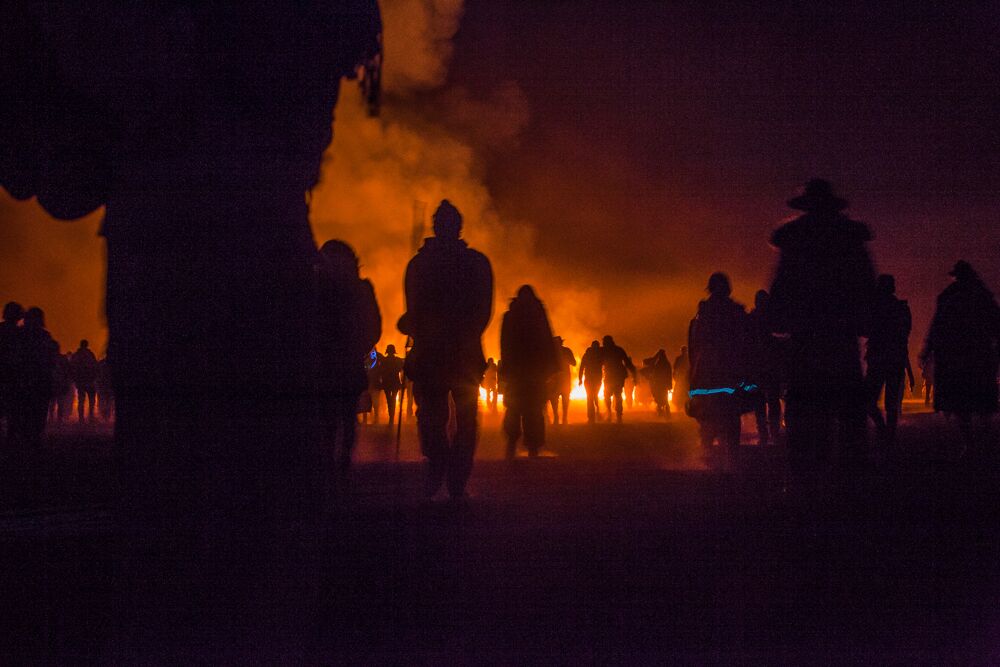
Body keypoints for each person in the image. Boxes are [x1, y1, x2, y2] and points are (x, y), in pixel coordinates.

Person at [768, 179, 877, 467]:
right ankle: (850, 472)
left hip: (806, 336)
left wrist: (778, 319)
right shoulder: (850, 239)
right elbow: (866, 285)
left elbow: (781, 286)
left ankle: (806, 469)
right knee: (847, 406)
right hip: (840, 333)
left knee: (804, 406)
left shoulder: (793, 240)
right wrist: (866, 320)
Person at [399, 200, 493, 501]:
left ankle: (443, 467)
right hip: (461, 354)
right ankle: (453, 474)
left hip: (434, 354)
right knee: (460, 419)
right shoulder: (476, 263)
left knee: (433, 417)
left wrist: (414, 326)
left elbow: (413, 311)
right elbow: (482, 311)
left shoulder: (419, 265)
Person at [920, 261, 1000, 455]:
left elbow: (937, 327)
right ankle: (977, 441)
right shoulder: (982, 296)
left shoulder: (949, 297)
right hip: (978, 355)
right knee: (980, 400)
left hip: (955, 356)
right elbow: (996, 325)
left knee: (960, 402)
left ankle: (969, 442)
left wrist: (928, 350)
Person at [315, 240, 381, 474]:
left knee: (336, 418)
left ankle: (335, 463)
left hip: (333, 366)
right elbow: (373, 328)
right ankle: (337, 463)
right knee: (340, 418)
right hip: (336, 365)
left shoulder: (320, 289)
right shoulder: (322, 289)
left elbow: (373, 328)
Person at [688, 273, 749, 461]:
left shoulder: (703, 314)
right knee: (730, 415)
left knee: (708, 414)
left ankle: (707, 456)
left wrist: (694, 372)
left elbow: (694, 345)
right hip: (729, 372)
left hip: (707, 373)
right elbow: (746, 343)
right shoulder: (736, 312)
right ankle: (730, 459)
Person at [500, 286, 559, 458]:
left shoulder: (510, 316)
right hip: (536, 373)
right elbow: (548, 340)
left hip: (517, 373)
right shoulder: (538, 315)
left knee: (513, 408)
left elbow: (504, 345)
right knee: (533, 409)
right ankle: (533, 446)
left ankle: (511, 442)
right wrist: (552, 368)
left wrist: (506, 368)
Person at [864, 274, 914, 447]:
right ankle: (889, 437)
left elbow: (864, 329)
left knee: (868, 400)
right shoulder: (901, 309)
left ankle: (884, 431)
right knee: (891, 403)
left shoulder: (875, 308)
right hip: (895, 359)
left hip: (878, 358)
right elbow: (905, 334)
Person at [9, 308, 57, 452]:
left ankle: (15, 448)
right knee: (37, 416)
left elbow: (12, 359)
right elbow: (50, 361)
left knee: (18, 415)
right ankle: (33, 446)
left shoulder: (17, 335)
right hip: (40, 382)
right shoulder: (45, 337)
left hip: (20, 382)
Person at [748, 290, 784, 446]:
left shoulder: (751, 320)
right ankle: (772, 434)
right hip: (769, 366)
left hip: (759, 367)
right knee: (771, 400)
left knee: (760, 401)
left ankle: (764, 434)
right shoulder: (772, 320)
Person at [0, 302, 24, 445]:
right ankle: (11, 438)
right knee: (14, 410)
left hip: (4, 374)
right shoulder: (21, 334)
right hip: (16, 377)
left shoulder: (1, 330)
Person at [601, 336, 636, 423]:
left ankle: (613, 414)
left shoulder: (604, 351)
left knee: (610, 395)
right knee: (616, 395)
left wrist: (634, 374)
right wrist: (634, 373)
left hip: (612, 376)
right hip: (616, 376)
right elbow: (627, 362)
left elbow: (627, 362)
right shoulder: (618, 350)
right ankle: (616, 415)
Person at [548, 336, 577, 425]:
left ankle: (560, 417)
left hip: (558, 379)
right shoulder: (565, 351)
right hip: (559, 379)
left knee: (556, 398)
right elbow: (574, 363)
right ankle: (561, 417)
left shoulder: (551, 352)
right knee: (561, 398)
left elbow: (574, 363)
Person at [70, 339, 99, 424]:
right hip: (89, 380)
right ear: (87, 345)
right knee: (91, 400)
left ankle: (81, 418)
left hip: (81, 381)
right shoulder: (90, 354)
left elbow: (72, 368)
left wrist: (75, 379)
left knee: (81, 399)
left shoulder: (77, 355)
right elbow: (95, 366)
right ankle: (90, 416)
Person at [641, 349, 673, 417]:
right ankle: (665, 411)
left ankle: (662, 411)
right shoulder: (666, 363)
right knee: (663, 397)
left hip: (658, 383)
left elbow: (667, 374)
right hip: (662, 383)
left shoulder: (658, 363)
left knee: (659, 396)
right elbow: (669, 375)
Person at [379, 344, 405, 426]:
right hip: (394, 382)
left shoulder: (384, 360)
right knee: (392, 399)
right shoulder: (397, 360)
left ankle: (391, 416)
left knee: (389, 400)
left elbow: (381, 371)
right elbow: (401, 370)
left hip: (387, 382)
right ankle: (392, 416)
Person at [579, 341, 604, 423]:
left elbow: (582, 367)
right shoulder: (600, 355)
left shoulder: (587, 355)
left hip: (589, 379)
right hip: (597, 378)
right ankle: (596, 412)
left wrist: (580, 379)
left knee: (590, 397)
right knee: (594, 395)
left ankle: (591, 417)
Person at [672, 345, 690, 414]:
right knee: (680, 392)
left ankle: (683, 406)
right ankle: (679, 406)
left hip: (684, 378)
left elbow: (675, 368)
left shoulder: (687, 358)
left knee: (682, 392)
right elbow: (675, 368)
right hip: (682, 378)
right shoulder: (687, 358)